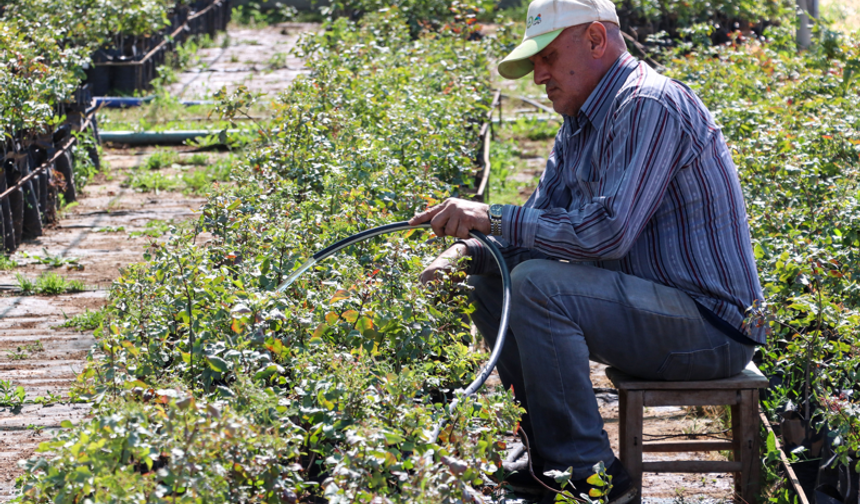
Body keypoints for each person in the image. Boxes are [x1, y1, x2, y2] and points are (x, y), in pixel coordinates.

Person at [409, 0, 766, 501]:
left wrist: (488, 214)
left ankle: (586, 475)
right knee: (500, 274)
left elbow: (607, 234)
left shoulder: (648, 105)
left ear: (596, 40)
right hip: (648, 308)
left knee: (535, 285)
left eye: (548, 58)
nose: (539, 77)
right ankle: (543, 449)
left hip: (711, 328)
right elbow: (534, 225)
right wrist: (466, 252)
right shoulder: (580, 121)